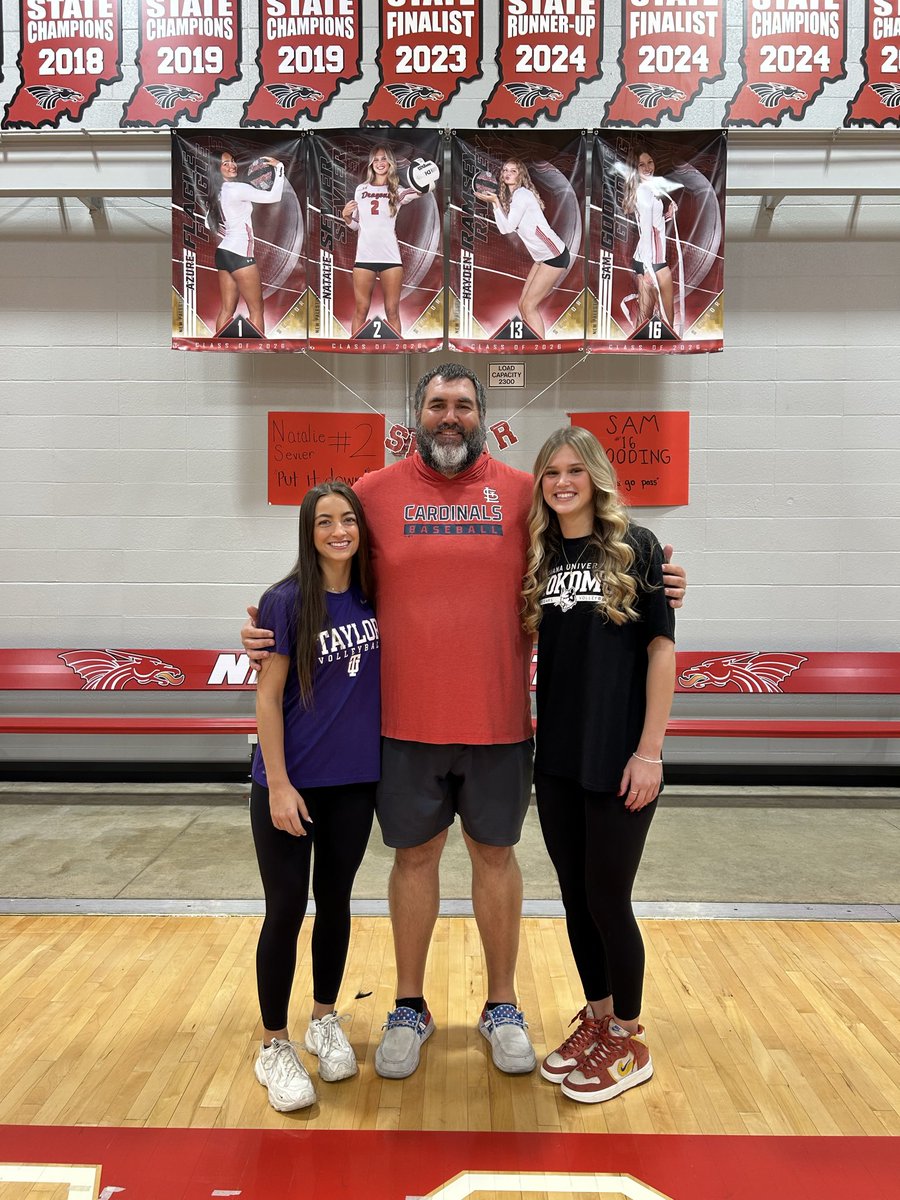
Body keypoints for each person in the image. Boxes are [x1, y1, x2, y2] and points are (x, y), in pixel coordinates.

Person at [241, 364, 687, 1083]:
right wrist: (269, 623)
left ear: (483, 414)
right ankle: (409, 1006)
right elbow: (327, 567)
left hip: (500, 723)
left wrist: (660, 575)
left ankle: (502, 1006)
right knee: (413, 860)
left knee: (494, 859)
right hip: (405, 726)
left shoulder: (524, 494)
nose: (451, 416)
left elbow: (590, 551)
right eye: (438, 404)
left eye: (464, 405)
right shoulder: (374, 493)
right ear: (416, 413)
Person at [521, 426, 675, 1103]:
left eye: (574, 471)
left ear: (596, 478)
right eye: (550, 471)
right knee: (576, 896)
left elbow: (661, 653)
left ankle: (630, 1039)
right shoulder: (539, 555)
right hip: (556, 758)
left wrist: (650, 752)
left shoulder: (635, 547)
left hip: (619, 758)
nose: (561, 481)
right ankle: (601, 1015)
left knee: (609, 896)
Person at [250, 482, 380, 1112]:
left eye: (348, 519)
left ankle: (324, 1017)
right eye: (325, 521)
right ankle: (274, 1043)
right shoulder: (284, 602)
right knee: (285, 911)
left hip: (354, 784)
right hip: (289, 785)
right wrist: (277, 782)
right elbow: (268, 697)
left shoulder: (375, 595)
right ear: (308, 531)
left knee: (335, 903)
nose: (338, 531)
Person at [475, 159, 570, 339]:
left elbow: (509, 227)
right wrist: (495, 203)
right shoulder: (513, 198)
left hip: (554, 254)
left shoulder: (522, 195)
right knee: (522, 305)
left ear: (521, 175)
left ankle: (540, 349)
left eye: (513, 170)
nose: (507, 173)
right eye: (505, 170)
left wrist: (495, 200)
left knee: (529, 306)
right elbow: (504, 229)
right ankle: (533, 342)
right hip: (542, 257)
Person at [341, 144, 423, 336]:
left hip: (390, 258)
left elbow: (420, 190)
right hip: (364, 257)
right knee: (361, 309)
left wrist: (426, 178)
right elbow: (356, 225)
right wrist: (345, 216)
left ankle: (397, 351)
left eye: (384, 158)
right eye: (376, 159)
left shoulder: (397, 190)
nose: (380, 163)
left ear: (390, 163)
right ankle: (356, 351)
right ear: (371, 164)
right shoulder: (361, 189)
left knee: (392, 311)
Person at [209, 149, 285, 336]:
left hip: (223, 253)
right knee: (257, 309)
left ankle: (219, 347)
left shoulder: (217, 192)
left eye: (232, 161)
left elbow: (208, 221)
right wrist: (280, 168)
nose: (232, 165)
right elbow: (274, 196)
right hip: (240, 253)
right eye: (225, 163)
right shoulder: (236, 188)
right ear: (217, 170)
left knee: (227, 309)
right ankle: (258, 349)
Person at [621, 148, 678, 333]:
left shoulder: (647, 188)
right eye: (641, 165)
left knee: (645, 320)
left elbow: (653, 224)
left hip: (650, 260)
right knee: (667, 321)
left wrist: (668, 215)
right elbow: (646, 232)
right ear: (635, 169)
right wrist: (647, 270)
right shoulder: (644, 191)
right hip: (652, 263)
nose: (647, 168)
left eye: (650, 162)